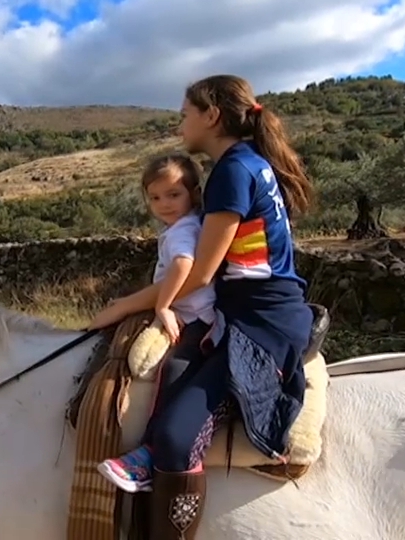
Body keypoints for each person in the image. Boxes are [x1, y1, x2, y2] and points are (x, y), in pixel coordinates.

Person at [88, 74, 315, 539]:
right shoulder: (248, 163)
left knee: (173, 439)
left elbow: (198, 273)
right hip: (253, 311)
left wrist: (124, 305)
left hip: (260, 323)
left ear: (211, 116)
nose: (180, 123)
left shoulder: (234, 170)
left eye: (186, 113)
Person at [96, 153, 216, 493]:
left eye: (173, 194)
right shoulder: (183, 226)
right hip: (190, 309)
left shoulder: (183, 230)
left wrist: (163, 305)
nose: (164, 204)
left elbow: (183, 265)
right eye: (155, 197)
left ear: (192, 193)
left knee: (175, 367)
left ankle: (151, 453)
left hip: (196, 316)